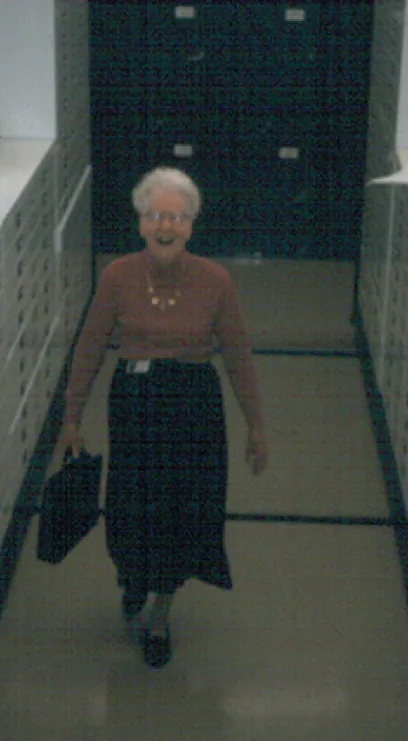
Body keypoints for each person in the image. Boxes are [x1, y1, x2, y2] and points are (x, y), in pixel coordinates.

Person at [58, 166, 269, 668]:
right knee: (131, 508)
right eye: (156, 215)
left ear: (191, 226)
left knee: (183, 513)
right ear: (140, 223)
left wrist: (257, 426)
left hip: (194, 407)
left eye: (176, 217)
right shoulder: (117, 276)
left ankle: (160, 616)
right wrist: (72, 417)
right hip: (135, 404)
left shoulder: (216, 281)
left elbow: (238, 357)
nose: (165, 226)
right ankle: (134, 576)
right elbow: (89, 348)